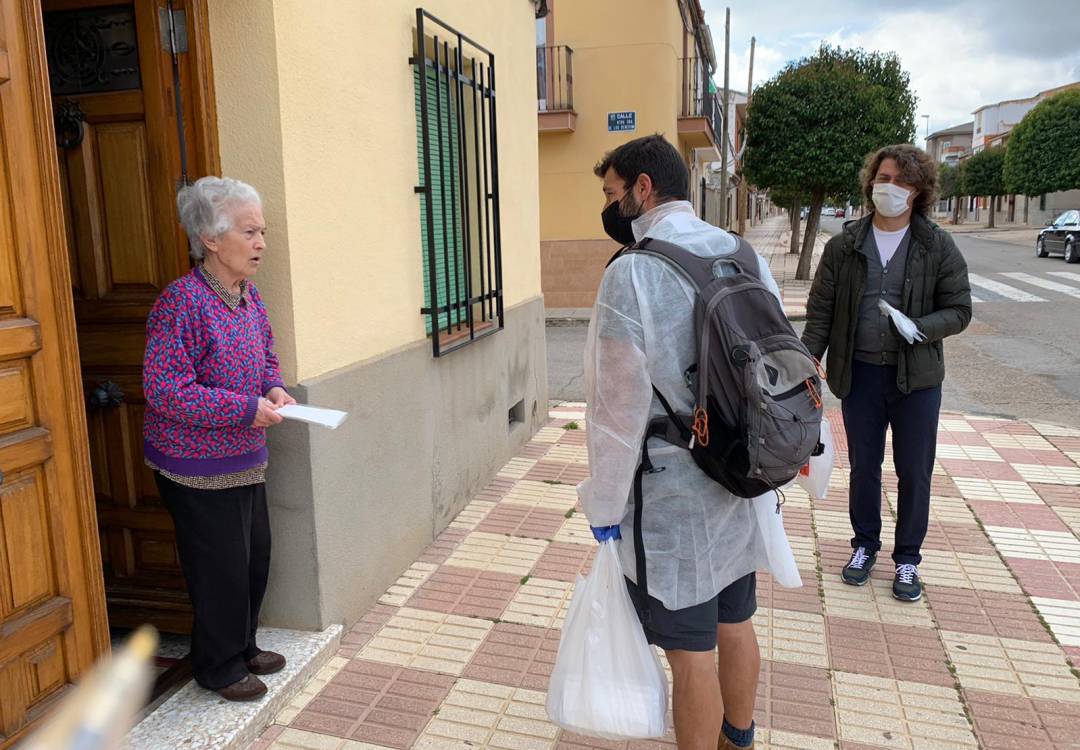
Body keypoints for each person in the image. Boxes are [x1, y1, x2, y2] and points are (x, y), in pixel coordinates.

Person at [581, 134, 795, 750]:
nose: (611, 206)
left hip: (672, 494)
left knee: (689, 652)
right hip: (741, 472)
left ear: (642, 189)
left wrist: (604, 503)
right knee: (736, 622)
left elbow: (616, 410)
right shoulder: (741, 252)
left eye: (612, 192)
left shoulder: (634, 272)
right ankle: (740, 737)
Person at [143, 176, 295, 701]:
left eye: (262, 232)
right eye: (250, 232)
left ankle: (243, 644)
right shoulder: (180, 303)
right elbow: (165, 391)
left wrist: (272, 388)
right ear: (211, 239)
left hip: (246, 457)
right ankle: (218, 665)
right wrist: (244, 408)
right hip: (194, 467)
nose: (261, 243)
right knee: (219, 571)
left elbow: (266, 358)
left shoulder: (248, 297)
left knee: (253, 560)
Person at [801, 144, 972, 602]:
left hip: (916, 380)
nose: (889, 187)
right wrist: (804, 364)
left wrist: (918, 326)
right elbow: (819, 313)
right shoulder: (845, 245)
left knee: (914, 471)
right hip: (859, 375)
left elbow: (959, 310)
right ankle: (864, 545)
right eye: (883, 177)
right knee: (864, 467)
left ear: (917, 191)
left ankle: (909, 560)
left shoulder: (936, 245)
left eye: (900, 181)